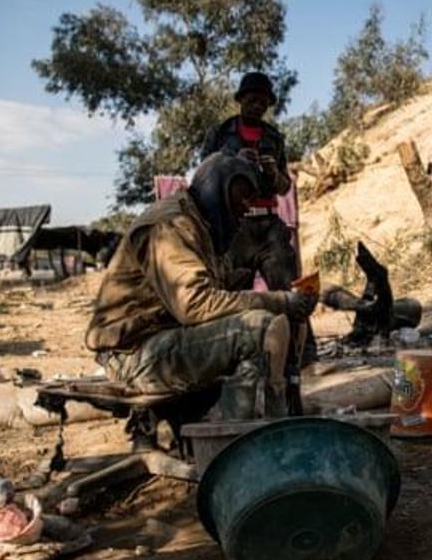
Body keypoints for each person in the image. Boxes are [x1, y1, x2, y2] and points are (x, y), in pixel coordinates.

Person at [85, 154, 318, 419]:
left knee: (279, 321)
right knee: (260, 329)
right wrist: (280, 301)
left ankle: (276, 422)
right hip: (134, 353)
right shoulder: (172, 224)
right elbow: (195, 304)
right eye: (241, 198)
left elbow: (214, 287)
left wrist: (292, 299)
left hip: (160, 338)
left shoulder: (200, 225)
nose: (246, 208)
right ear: (216, 189)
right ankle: (242, 438)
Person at [201, 71, 298, 289]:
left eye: (263, 102)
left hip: (271, 227)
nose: (257, 106)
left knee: (287, 294)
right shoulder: (220, 133)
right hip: (234, 229)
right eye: (252, 100)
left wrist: (274, 173)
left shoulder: (275, 138)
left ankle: (290, 324)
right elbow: (204, 176)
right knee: (234, 299)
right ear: (241, 100)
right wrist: (233, 161)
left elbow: (285, 188)